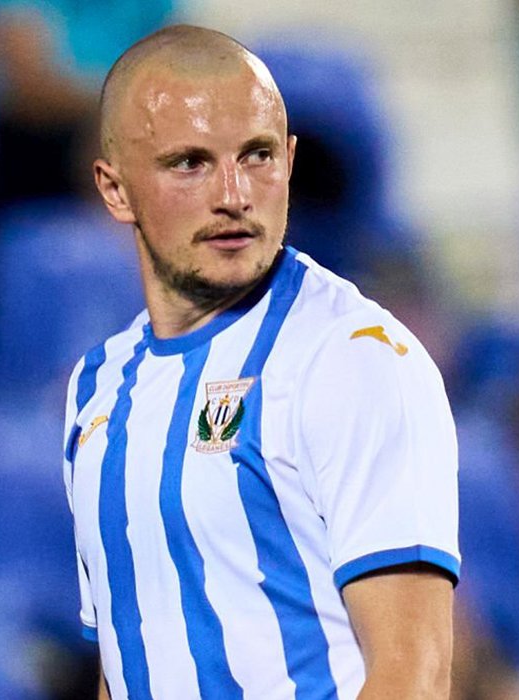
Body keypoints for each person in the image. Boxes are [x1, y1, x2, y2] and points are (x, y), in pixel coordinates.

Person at [63, 24, 460, 699]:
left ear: (290, 160)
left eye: (257, 156)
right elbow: (126, 663)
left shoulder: (354, 360)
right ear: (115, 188)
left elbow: (412, 677)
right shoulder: (96, 384)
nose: (234, 194)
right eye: (189, 163)